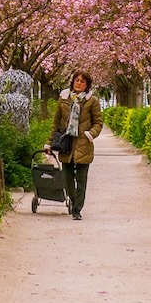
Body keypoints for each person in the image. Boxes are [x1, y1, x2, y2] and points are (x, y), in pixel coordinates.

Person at [51, 72, 103, 220]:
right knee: (67, 179)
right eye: (77, 80)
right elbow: (56, 123)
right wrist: (49, 142)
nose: (79, 83)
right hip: (66, 143)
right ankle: (73, 201)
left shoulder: (91, 101)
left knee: (81, 180)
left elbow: (98, 122)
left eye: (82, 81)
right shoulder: (63, 99)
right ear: (73, 82)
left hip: (83, 143)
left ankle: (77, 210)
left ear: (87, 85)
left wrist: (90, 134)